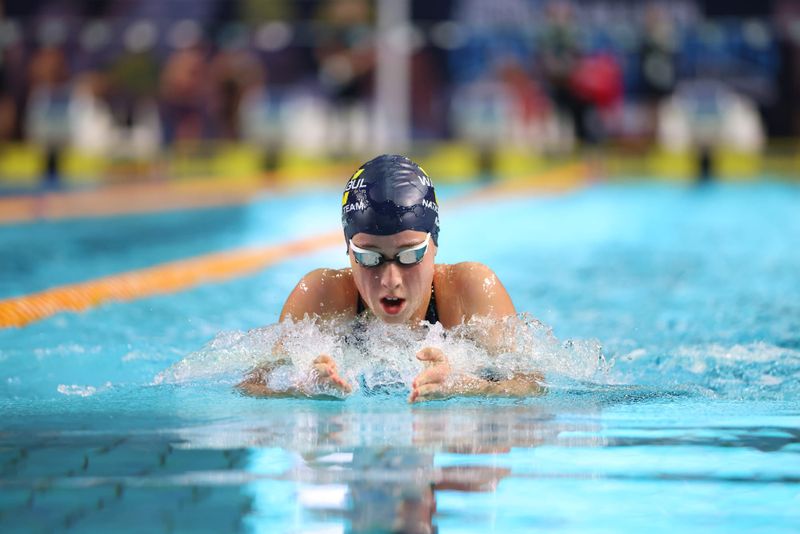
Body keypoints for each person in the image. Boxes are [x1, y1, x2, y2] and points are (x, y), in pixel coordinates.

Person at [238, 154, 542, 402]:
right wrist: (303, 388)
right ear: (348, 250)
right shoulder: (320, 297)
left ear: (434, 244)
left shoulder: (470, 292)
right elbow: (251, 386)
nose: (390, 279)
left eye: (410, 255)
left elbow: (531, 387)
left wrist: (465, 386)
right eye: (369, 258)